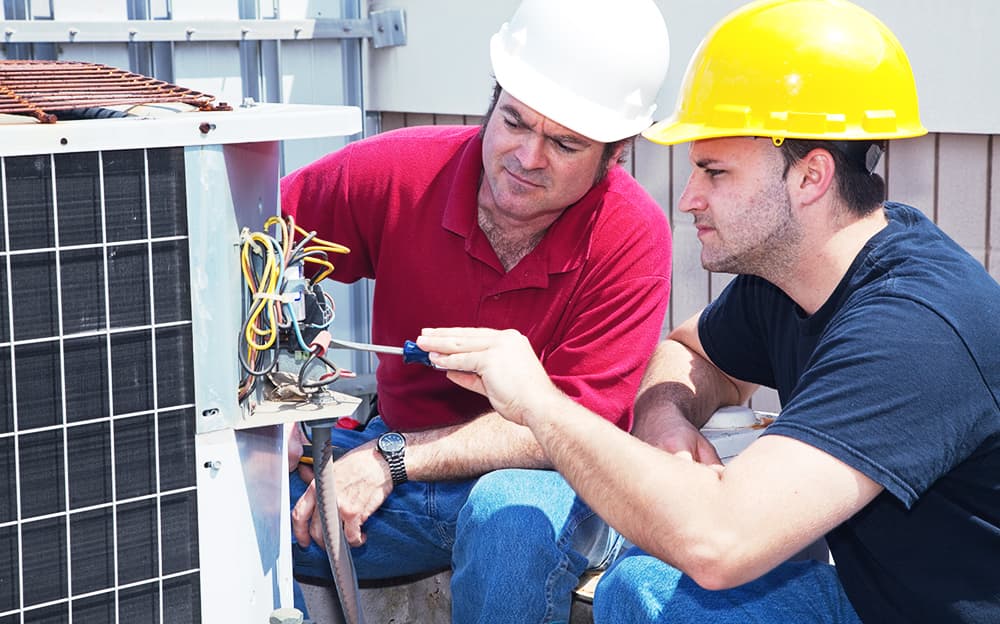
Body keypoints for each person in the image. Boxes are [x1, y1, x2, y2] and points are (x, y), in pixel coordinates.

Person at [415, 0, 1000, 622]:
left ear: (810, 177)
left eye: (713, 171)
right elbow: (690, 353)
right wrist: (666, 418)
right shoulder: (794, 275)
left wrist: (537, 401)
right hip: (869, 595)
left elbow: (720, 543)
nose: (688, 198)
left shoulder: (914, 330)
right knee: (642, 591)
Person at [280, 0, 672, 620]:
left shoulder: (632, 236)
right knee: (231, 511)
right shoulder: (398, 172)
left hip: (542, 481)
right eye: (514, 120)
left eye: (565, 143)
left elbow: (568, 428)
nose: (527, 156)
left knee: (509, 519)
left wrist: (391, 459)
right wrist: (274, 369)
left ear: (614, 154)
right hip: (391, 472)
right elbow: (247, 250)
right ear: (492, 101)